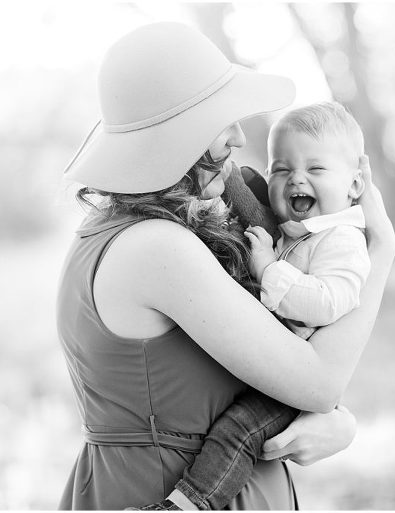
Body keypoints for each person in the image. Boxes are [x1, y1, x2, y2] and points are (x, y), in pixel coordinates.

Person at [57, 22, 395, 510]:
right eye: (220, 121)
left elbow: (272, 355)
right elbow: (318, 380)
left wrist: (337, 418)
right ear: (176, 136)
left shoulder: (140, 231)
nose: (239, 137)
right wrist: (381, 250)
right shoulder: (157, 248)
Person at [136, 102, 375, 511]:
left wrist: (268, 270)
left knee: (239, 432)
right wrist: (232, 180)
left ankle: (190, 504)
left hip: (292, 382)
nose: (295, 178)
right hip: (278, 362)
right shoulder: (297, 231)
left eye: (315, 169)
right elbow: (251, 208)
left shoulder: (344, 242)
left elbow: (327, 302)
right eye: (280, 169)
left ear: (354, 186)